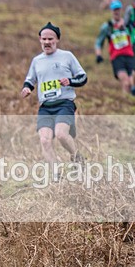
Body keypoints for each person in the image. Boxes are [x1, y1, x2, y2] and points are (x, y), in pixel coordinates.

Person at [20, 22, 87, 166]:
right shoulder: (37, 61)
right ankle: (55, 174)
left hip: (64, 103)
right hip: (45, 106)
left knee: (62, 135)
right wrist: (27, 89)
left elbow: (83, 77)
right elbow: (30, 80)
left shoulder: (67, 56)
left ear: (57, 40)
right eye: (44, 39)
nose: (47, 42)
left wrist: (70, 81)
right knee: (44, 140)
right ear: (40, 40)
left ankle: (77, 158)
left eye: (50, 39)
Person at [94, 0, 135, 95]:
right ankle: (126, 103)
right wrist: (98, 55)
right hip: (117, 57)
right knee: (125, 82)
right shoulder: (107, 26)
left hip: (130, 56)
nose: (116, 11)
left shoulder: (128, 25)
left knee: (132, 83)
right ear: (111, 11)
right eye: (114, 9)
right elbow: (99, 42)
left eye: (118, 9)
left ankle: (133, 103)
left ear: (121, 10)